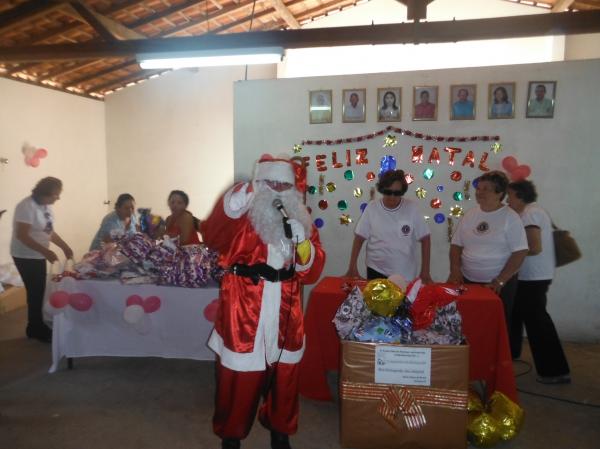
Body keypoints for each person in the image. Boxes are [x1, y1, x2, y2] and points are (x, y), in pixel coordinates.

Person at [201, 155, 325, 449]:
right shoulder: (240, 216)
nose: (278, 189)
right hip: (244, 305)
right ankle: (231, 435)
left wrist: (304, 246)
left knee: (284, 376)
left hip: (285, 308)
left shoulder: (302, 219)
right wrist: (238, 198)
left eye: (284, 184)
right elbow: (211, 235)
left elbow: (313, 269)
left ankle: (280, 431)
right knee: (239, 375)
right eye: (270, 182)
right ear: (258, 184)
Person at [448, 171, 528, 333]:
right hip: (468, 280)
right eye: (479, 188)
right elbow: (456, 245)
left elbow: (520, 252)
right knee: (469, 322)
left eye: (486, 189)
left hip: (497, 285)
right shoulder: (471, 214)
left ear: (499, 193)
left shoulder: (510, 217)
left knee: (495, 327)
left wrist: (500, 280)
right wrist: (455, 270)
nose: (480, 192)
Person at [507, 180, 571, 384]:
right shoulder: (533, 211)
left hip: (533, 277)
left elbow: (534, 247)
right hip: (529, 276)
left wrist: (507, 253)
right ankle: (511, 353)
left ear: (520, 195)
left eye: (510, 195)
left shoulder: (530, 213)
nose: (508, 200)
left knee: (537, 323)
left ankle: (555, 370)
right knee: (514, 314)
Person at [10, 177, 73, 343]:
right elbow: (22, 235)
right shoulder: (26, 206)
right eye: (56, 195)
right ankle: (36, 328)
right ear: (45, 193)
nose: (57, 198)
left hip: (38, 253)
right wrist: (46, 252)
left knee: (38, 290)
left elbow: (49, 232)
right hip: (25, 254)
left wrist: (64, 247)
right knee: (36, 291)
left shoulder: (46, 207)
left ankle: (34, 327)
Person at [345, 169, 432, 283]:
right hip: (376, 270)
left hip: (405, 274)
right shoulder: (372, 208)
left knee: (403, 301)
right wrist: (352, 266)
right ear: (382, 190)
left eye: (396, 193)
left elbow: (425, 238)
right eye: (388, 192)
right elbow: (359, 238)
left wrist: (425, 272)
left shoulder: (412, 208)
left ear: (402, 192)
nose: (392, 196)